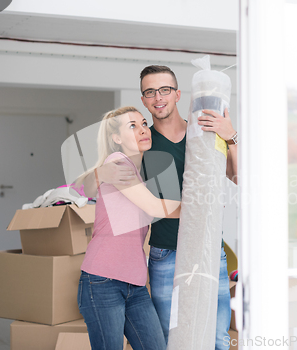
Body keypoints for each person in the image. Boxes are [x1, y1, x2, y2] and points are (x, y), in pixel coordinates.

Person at [94, 66, 238, 350]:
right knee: (170, 339)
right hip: (165, 254)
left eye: (164, 90)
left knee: (218, 338)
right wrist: (100, 175)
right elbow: (107, 169)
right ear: (144, 99)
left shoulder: (206, 132)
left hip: (209, 249)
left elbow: (238, 177)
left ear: (177, 94)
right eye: (150, 92)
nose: (158, 97)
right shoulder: (142, 143)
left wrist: (231, 136)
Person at [75, 106, 181, 350]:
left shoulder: (139, 174)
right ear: (117, 139)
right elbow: (155, 208)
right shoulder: (117, 163)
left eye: (144, 123)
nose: (143, 129)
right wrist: (200, 206)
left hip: (135, 284)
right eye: (132, 126)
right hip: (103, 281)